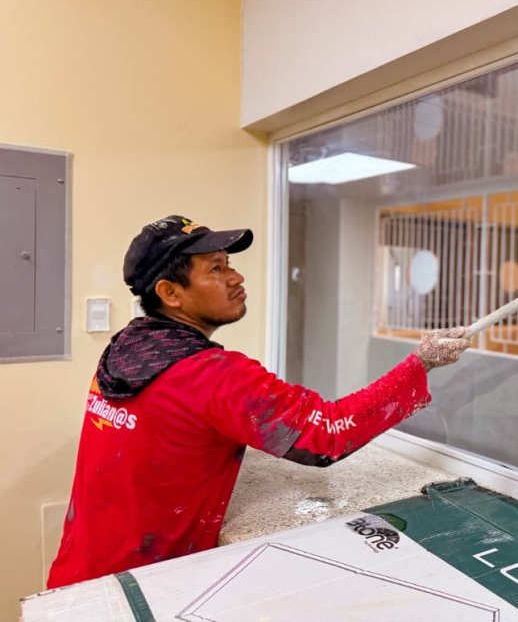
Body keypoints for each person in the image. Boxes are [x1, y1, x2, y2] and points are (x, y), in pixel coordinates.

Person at [47, 215, 469, 588]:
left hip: (77, 578)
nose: (236, 278)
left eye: (229, 264)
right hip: (140, 590)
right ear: (170, 293)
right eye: (216, 269)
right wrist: (421, 364)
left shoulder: (127, 348)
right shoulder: (210, 374)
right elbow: (325, 433)